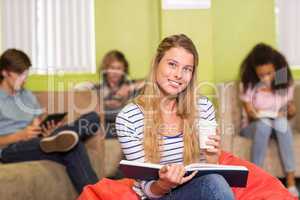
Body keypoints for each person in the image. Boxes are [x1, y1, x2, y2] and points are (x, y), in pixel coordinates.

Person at [115, 34, 234, 200]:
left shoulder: (203, 107)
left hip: (196, 190)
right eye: (172, 64)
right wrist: (164, 184)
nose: (179, 75)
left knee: (215, 181)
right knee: (214, 183)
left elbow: (208, 179)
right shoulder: (129, 118)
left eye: (187, 69)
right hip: (158, 195)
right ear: (157, 64)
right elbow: (148, 190)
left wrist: (213, 160)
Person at [0, 49, 100, 193]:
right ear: (4, 72)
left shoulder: (27, 95)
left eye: (26, 74)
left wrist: (48, 130)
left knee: (92, 117)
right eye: (20, 74)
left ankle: (60, 137)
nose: (24, 79)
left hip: (38, 141)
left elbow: (38, 122)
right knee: (74, 145)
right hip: (11, 149)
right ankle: (98, 195)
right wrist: (20, 135)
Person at [239, 43, 299, 198]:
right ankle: (256, 180)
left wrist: (290, 111)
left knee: (282, 123)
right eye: (261, 75)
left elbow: (289, 111)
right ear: (255, 72)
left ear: (277, 69)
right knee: (263, 126)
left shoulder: (284, 82)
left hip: (277, 125)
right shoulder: (249, 83)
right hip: (254, 127)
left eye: (269, 73)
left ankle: (291, 183)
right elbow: (250, 114)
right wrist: (259, 113)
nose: (265, 77)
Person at [95, 50, 144, 138]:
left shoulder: (131, 86)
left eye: (119, 68)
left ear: (124, 70)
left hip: (128, 127)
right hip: (107, 129)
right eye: (112, 68)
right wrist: (104, 104)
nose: (115, 72)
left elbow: (152, 81)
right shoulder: (98, 89)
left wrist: (130, 88)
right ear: (105, 69)